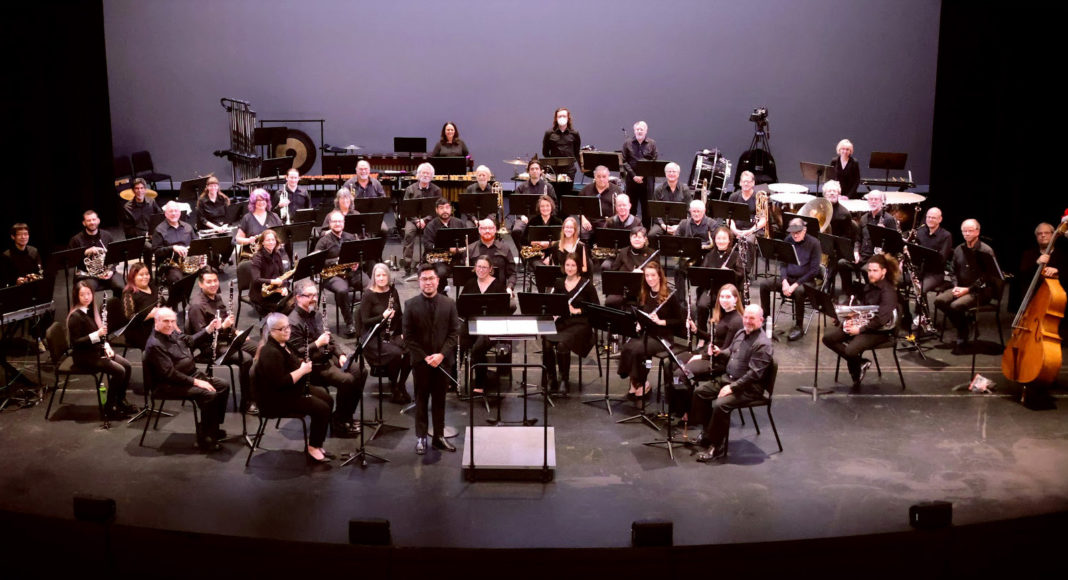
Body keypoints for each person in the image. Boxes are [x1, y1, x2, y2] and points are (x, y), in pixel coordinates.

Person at [689, 304, 773, 464]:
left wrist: (731, 388)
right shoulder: (741, 333)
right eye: (745, 317)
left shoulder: (763, 344)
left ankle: (717, 446)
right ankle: (707, 434)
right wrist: (720, 352)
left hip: (749, 389)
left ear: (761, 320)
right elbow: (731, 351)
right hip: (730, 378)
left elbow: (754, 374)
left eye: (752, 318)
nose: (747, 321)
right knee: (700, 393)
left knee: (721, 405)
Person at [143, 307, 230, 452]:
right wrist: (196, 382)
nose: (170, 325)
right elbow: (169, 374)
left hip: (188, 375)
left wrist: (209, 329)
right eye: (166, 321)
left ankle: (212, 427)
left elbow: (190, 340)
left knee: (223, 386)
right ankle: (205, 439)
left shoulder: (172, 332)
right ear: (156, 322)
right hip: (169, 385)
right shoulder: (155, 345)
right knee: (209, 394)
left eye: (172, 321)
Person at [287, 280, 366, 437]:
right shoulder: (293, 322)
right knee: (347, 380)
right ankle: (339, 422)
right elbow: (298, 353)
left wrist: (340, 354)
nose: (314, 299)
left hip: (327, 358)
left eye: (315, 295)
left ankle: (344, 415)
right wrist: (317, 343)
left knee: (361, 371)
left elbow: (329, 338)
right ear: (298, 297)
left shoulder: (316, 314)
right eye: (309, 296)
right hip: (313, 366)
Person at [252, 312, 332, 463]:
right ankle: (313, 447)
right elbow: (280, 382)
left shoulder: (284, 344)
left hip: (292, 389)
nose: (287, 331)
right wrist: (302, 370)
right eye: (282, 329)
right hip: (277, 399)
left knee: (328, 399)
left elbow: (294, 361)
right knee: (322, 409)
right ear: (272, 331)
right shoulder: (270, 353)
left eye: (288, 326)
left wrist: (302, 364)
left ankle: (317, 443)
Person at [403, 264, 461, 455]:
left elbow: (454, 333)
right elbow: (408, 337)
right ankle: (421, 437)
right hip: (421, 362)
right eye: (424, 279)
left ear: (438, 281)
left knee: (439, 400)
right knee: (421, 400)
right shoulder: (410, 305)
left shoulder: (449, 303)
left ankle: (438, 436)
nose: (428, 282)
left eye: (431, 279)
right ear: (419, 281)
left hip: (443, 361)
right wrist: (425, 357)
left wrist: (441, 355)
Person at [822, 254, 900, 388]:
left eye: (875, 271)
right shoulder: (869, 287)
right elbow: (861, 308)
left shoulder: (888, 293)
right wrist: (850, 318)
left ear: (883, 271)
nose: (871, 274)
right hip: (866, 325)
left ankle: (856, 370)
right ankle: (860, 362)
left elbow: (881, 320)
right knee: (828, 339)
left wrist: (859, 329)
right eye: (869, 270)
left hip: (880, 332)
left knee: (851, 350)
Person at [186, 268, 255, 413]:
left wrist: (236, 331)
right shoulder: (197, 306)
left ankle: (257, 392)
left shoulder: (216, 297)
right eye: (209, 282)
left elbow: (225, 318)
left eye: (215, 280)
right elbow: (200, 337)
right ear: (200, 284)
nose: (213, 284)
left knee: (258, 348)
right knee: (246, 359)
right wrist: (223, 327)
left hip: (225, 340)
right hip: (209, 347)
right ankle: (247, 402)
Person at [674, 284, 745, 419]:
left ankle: (688, 412)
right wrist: (696, 331)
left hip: (719, 363)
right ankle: (677, 406)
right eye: (721, 297)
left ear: (736, 299)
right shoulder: (724, 314)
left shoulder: (736, 321)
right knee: (672, 363)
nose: (724, 300)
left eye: (728, 297)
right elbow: (714, 339)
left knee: (680, 374)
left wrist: (701, 357)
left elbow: (725, 351)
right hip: (709, 356)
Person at [66, 281, 134, 420]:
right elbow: (76, 343)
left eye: (88, 293)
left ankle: (120, 401)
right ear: (76, 296)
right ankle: (110, 407)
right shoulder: (75, 317)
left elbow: (101, 336)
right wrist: (97, 334)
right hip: (84, 357)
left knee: (127, 366)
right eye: (82, 295)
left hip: (96, 351)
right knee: (120, 371)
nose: (86, 297)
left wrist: (106, 346)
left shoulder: (90, 310)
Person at [618, 261, 682, 399]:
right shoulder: (644, 293)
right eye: (647, 276)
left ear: (659, 276)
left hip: (662, 337)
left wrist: (661, 321)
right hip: (647, 333)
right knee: (627, 347)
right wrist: (639, 323)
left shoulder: (669, 296)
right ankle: (635, 381)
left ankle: (641, 383)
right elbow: (640, 314)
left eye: (653, 275)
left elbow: (679, 321)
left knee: (638, 350)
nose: (650, 279)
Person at [934, 219, 1000, 353]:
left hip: (980, 291)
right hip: (961, 287)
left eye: (970, 231)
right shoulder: (959, 249)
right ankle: (965, 326)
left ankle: (963, 332)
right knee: (939, 300)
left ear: (977, 232)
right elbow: (952, 271)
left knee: (955, 305)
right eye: (964, 231)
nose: (967, 233)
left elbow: (987, 277)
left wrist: (968, 290)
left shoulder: (986, 251)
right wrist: (955, 286)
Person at [542, 253, 599, 395]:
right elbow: (552, 303)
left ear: (578, 267)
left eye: (573, 265)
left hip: (580, 324)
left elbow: (596, 307)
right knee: (546, 341)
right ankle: (551, 378)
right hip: (563, 322)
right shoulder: (559, 283)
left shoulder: (586, 284)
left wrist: (578, 310)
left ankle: (564, 379)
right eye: (567, 265)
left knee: (562, 344)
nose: (570, 268)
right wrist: (554, 312)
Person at [757, 218, 823, 341]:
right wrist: (784, 281)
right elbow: (783, 264)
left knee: (798, 291)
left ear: (804, 230)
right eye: (793, 233)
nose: (795, 235)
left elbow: (814, 271)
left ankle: (799, 326)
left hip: (806, 281)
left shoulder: (814, 243)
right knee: (764, 285)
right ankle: (766, 320)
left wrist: (795, 285)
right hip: (789, 280)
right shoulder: (788, 240)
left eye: (798, 232)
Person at [357, 264, 411, 404]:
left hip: (391, 334)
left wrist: (403, 333)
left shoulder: (393, 291)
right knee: (396, 353)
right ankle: (394, 386)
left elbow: (400, 315)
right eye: (378, 275)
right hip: (373, 337)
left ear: (388, 276)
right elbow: (365, 321)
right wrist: (383, 316)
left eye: (384, 275)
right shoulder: (368, 295)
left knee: (412, 349)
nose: (381, 278)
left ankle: (401, 384)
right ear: (374, 277)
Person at [459, 255, 509, 392]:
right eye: (479, 267)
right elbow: (461, 306)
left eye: (484, 267)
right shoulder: (470, 283)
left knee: (478, 348)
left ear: (490, 269)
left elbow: (503, 311)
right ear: (475, 268)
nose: (481, 270)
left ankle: (480, 383)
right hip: (472, 323)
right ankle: (453, 380)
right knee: (458, 343)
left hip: (492, 326)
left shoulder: (498, 286)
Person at [839, 190, 898, 295]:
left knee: (866, 269)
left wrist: (884, 233)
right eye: (871, 199)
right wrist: (856, 252)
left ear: (882, 202)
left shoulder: (888, 219)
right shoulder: (864, 218)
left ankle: (872, 294)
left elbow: (894, 244)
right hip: (863, 256)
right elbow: (858, 239)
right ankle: (849, 293)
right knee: (842, 263)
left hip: (877, 258)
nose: (873, 201)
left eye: (876, 199)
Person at [315, 211, 364, 336]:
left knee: (370, 285)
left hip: (351, 273)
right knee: (342, 290)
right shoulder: (323, 242)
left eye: (340, 221)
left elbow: (360, 255)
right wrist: (336, 261)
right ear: (330, 224)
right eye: (334, 221)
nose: (337, 223)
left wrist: (357, 263)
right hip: (332, 275)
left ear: (344, 223)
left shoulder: (351, 237)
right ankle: (349, 323)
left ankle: (367, 319)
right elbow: (317, 262)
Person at [906, 206, 952, 328]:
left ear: (940, 219)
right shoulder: (920, 232)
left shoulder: (946, 235)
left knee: (920, 289)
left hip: (934, 273)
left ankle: (922, 318)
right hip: (918, 270)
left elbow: (942, 259)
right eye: (928, 217)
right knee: (897, 281)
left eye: (933, 218)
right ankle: (906, 315)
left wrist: (925, 256)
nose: (930, 219)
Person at [694, 227, 744, 336]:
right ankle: (702, 335)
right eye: (718, 238)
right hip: (711, 289)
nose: (721, 241)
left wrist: (729, 272)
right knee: (702, 305)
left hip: (728, 291)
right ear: (715, 240)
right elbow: (702, 273)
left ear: (729, 240)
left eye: (724, 238)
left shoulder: (735, 255)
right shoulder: (709, 255)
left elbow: (741, 274)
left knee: (727, 305)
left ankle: (725, 334)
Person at [1013, 221, 1067, 311]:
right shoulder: (1028, 254)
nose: (1043, 235)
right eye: (1039, 233)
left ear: (1053, 235)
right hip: (1032, 301)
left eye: (1046, 233)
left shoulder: (1063, 255)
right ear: (1036, 237)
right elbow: (1022, 276)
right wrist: (1036, 263)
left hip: (1056, 303)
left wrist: (1058, 271)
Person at [401, 163, 443, 276]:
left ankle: (428, 261)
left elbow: (437, 209)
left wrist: (425, 220)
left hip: (430, 220)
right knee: (409, 233)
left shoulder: (436, 190)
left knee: (433, 235)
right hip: (413, 219)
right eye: (423, 173)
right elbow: (406, 209)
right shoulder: (410, 189)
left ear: (432, 176)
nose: (425, 175)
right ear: (418, 175)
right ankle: (407, 265)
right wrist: (417, 221)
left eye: (428, 173)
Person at [69, 210, 124, 295]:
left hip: (107, 272)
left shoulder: (107, 236)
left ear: (98, 220)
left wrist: (111, 271)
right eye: (88, 220)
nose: (92, 222)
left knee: (121, 287)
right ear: (84, 223)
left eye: (94, 219)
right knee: (87, 292)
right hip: (88, 275)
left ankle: (116, 303)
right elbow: (71, 260)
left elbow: (115, 257)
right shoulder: (76, 240)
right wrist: (85, 252)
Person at [820, 180, 858, 294]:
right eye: (829, 191)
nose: (832, 193)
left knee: (832, 261)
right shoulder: (820, 209)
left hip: (838, 249)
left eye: (834, 191)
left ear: (838, 194)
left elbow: (845, 241)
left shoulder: (844, 214)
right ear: (824, 194)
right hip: (823, 244)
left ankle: (826, 285)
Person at [421, 197, 467, 288]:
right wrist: (448, 250)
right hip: (439, 258)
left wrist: (463, 250)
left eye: (447, 207)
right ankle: (442, 292)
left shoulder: (460, 223)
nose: (445, 210)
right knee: (441, 272)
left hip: (456, 257)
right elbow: (428, 246)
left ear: (451, 209)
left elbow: (467, 241)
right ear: (436, 210)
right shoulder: (430, 226)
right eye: (441, 208)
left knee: (472, 268)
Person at [151, 201, 199, 287]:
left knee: (210, 271)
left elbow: (197, 244)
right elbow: (156, 251)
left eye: (176, 211)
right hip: (170, 265)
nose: (174, 213)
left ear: (180, 213)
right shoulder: (159, 230)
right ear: (165, 214)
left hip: (189, 262)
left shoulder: (188, 227)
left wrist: (200, 259)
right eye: (171, 211)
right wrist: (172, 248)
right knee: (177, 279)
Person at [673, 199, 719, 289]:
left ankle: (702, 294)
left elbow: (716, 243)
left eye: (699, 211)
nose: (696, 214)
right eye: (694, 211)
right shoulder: (683, 223)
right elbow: (676, 239)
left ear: (704, 211)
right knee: (677, 269)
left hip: (706, 256)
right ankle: (680, 298)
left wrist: (703, 246)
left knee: (705, 270)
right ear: (690, 211)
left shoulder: (712, 224)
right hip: (689, 256)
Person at [604, 227, 654, 308]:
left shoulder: (652, 253)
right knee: (610, 301)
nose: (636, 239)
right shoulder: (623, 251)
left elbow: (656, 274)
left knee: (646, 305)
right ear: (630, 239)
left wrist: (643, 273)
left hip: (643, 288)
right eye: (634, 237)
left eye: (639, 237)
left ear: (645, 239)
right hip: (624, 288)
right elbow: (614, 271)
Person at [621, 121, 658, 229]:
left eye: (642, 129)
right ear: (634, 131)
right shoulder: (627, 143)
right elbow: (624, 161)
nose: (639, 131)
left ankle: (646, 232)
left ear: (646, 131)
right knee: (631, 207)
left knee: (646, 208)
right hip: (631, 180)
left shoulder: (652, 143)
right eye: (637, 129)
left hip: (647, 181)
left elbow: (654, 160)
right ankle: (631, 231)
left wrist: (643, 175)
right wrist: (634, 176)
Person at [248, 229, 293, 317]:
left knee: (294, 301)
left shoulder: (277, 254)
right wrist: (273, 281)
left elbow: (282, 275)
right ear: (262, 242)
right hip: (261, 294)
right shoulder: (257, 258)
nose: (271, 242)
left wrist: (284, 287)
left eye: (273, 240)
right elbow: (256, 280)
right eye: (268, 240)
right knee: (283, 309)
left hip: (275, 290)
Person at [466, 219, 517, 292]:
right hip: (476, 291)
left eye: (490, 228)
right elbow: (465, 274)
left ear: (495, 230)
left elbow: (512, 273)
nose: (487, 231)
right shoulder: (470, 249)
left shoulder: (505, 248)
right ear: (479, 230)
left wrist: (509, 287)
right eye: (484, 228)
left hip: (499, 291)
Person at [342, 161, 390, 237]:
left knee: (384, 230)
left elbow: (383, 201)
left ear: (369, 170)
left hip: (372, 217)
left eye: (365, 169)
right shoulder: (348, 184)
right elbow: (341, 202)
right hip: (354, 217)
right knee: (356, 234)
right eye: (361, 169)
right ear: (356, 170)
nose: (363, 171)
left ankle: (376, 245)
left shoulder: (376, 183)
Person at [120, 262, 160, 350]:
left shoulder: (152, 287)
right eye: (141, 275)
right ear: (133, 277)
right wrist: (150, 315)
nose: (145, 277)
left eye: (147, 274)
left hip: (154, 324)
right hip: (138, 331)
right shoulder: (128, 293)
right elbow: (129, 319)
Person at [236, 189, 283, 261]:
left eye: (264, 200)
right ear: (253, 202)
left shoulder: (274, 216)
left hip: (273, 256)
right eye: (258, 200)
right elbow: (238, 239)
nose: (261, 202)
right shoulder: (247, 218)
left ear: (267, 201)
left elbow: (282, 237)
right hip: (254, 257)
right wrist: (249, 240)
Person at [648, 162, 693, 238]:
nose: (671, 173)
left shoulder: (685, 190)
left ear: (678, 174)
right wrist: (663, 225)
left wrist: (679, 226)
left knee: (689, 236)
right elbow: (655, 213)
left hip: (680, 223)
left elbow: (690, 211)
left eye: (674, 171)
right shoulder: (659, 190)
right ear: (665, 174)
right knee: (651, 235)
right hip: (663, 223)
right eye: (669, 171)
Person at [578, 166, 622, 237]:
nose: (601, 179)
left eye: (604, 176)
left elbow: (622, 209)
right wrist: (583, 220)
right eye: (598, 177)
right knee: (581, 234)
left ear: (608, 176)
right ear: (594, 177)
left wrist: (613, 222)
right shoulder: (586, 190)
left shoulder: (617, 190)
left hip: (609, 222)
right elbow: (578, 208)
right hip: (589, 222)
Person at [542, 107, 581, 181]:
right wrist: (553, 163)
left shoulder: (575, 134)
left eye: (564, 116)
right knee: (554, 188)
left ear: (568, 118)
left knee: (568, 188)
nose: (562, 118)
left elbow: (577, 152)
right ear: (556, 118)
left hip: (569, 170)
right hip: (554, 169)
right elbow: (545, 152)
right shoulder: (549, 133)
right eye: (559, 116)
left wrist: (570, 162)